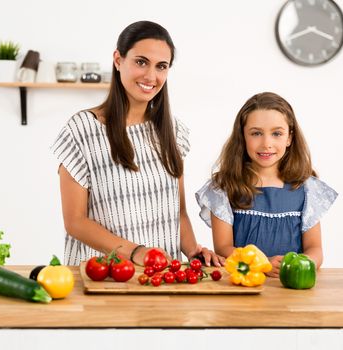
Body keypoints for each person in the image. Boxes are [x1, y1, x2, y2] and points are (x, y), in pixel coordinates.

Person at [51, 20, 222, 267]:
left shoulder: (172, 131)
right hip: (102, 276)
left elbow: (177, 212)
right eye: (141, 62)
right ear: (118, 60)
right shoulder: (81, 129)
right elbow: (75, 221)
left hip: (160, 279)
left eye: (161, 66)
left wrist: (194, 250)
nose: (151, 76)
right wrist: (136, 252)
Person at [195, 92, 337, 277]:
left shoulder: (308, 189)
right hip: (243, 286)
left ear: (289, 138)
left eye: (277, 133)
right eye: (256, 133)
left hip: (290, 289)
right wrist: (262, 264)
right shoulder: (224, 187)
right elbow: (223, 248)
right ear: (243, 136)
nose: (266, 143)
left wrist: (299, 265)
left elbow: (315, 249)